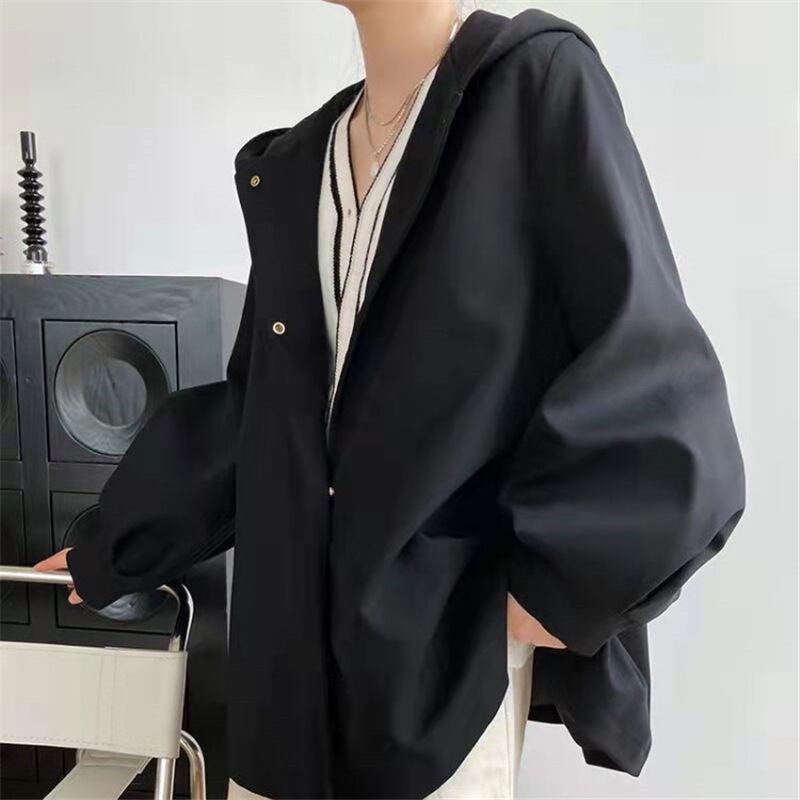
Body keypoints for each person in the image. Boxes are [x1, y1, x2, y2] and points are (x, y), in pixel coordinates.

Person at [35, 2, 746, 798]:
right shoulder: (302, 162)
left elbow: (653, 372)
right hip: (284, 671)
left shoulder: (534, 86)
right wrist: (118, 545)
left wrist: (562, 587)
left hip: (440, 674)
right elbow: (260, 410)